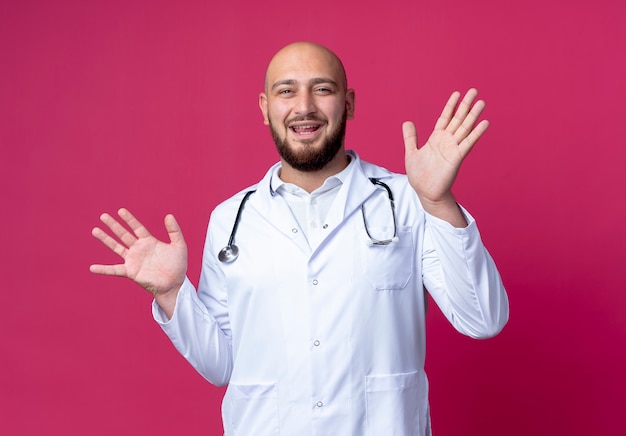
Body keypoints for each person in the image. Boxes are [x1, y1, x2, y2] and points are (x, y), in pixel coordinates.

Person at [90, 41, 509, 436]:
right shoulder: (232, 219)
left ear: (348, 104)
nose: (303, 107)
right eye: (286, 91)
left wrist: (437, 202)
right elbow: (223, 365)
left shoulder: (408, 201)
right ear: (265, 107)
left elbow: (483, 319)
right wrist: (172, 294)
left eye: (322, 89)